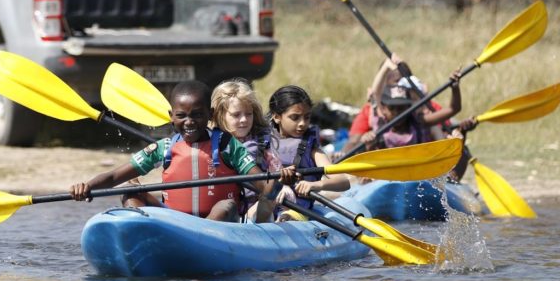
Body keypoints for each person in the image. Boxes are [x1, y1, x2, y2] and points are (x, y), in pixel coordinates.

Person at [69, 80, 272, 223]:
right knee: (131, 190)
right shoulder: (164, 147)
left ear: (210, 115)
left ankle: (200, 238)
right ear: (171, 117)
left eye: (197, 115)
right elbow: (114, 176)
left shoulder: (227, 145)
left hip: (218, 226)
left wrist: (280, 183)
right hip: (174, 222)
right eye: (181, 116)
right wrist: (87, 186)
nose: (189, 122)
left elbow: (261, 183)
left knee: (226, 205)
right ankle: (137, 233)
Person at [210, 78, 295, 222]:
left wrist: (283, 184)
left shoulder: (261, 141)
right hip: (223, 208)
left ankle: (273, 219)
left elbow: (276, 167)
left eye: (248, 114)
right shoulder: (209, 142)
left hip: (255, 206)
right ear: (220, 114)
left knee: (269, 197)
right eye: (236, 115)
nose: (244, 119)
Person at [268, 85, 351, 220]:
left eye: (307, 117)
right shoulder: (262, 143)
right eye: (295, 117)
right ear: (277, 117)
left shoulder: (312, 149)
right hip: (264, 207)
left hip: (295, 211)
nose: (302, 123)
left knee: (285, 218)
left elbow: (343, 181)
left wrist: (315, 185)